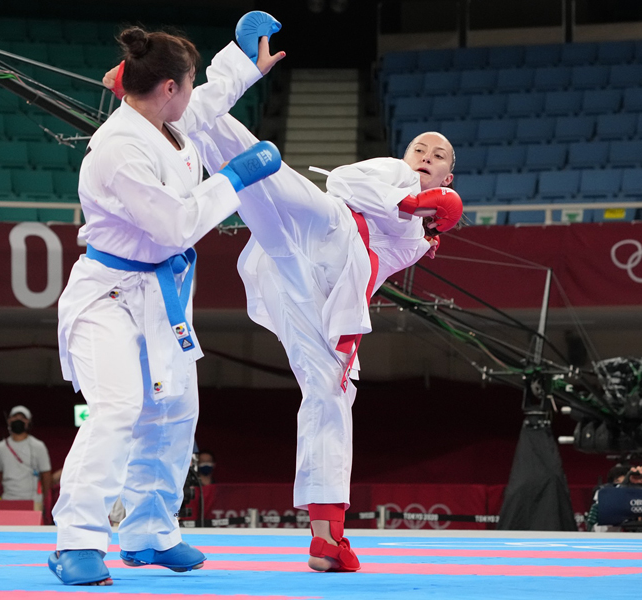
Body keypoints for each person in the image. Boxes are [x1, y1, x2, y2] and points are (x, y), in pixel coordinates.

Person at [106, 12, 461, 573]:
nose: (425, 156)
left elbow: (403, 242)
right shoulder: (394, 175)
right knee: (258, 161)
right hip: (324, 225)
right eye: (420, 147)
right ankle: (172, 87)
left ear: (449, 177)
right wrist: (412, 200)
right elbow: (343, 182)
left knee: (329, 395)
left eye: (437, 157)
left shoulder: (426, 234)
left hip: (322, 291)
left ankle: (326, 535)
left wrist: (425, 214)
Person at [50, 22, 283, 587]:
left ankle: (150, 534)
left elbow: (209, 99)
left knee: (175, 412)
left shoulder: (166, 121)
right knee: (117, 409)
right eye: (188, 81)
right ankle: (77, 540)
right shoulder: (119, 149)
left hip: (161, 294)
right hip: (107, 295)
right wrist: (233, 178)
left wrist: (245, 60)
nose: (193, 91)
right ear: (168, 88)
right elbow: (176, 225)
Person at [0, 406, 52, 511]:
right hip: (8, 499)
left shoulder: (38, 446)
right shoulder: (1, 447)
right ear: (9, 420)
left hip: (33, 501)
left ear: (28, 422)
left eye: (22, 418)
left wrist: (42, 497)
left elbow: (46, 475)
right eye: (15, 417)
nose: (18, 420)